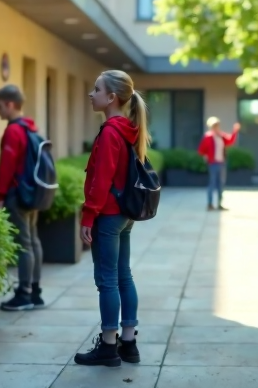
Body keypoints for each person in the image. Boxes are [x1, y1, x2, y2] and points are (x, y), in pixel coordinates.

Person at [73, 70, 150, 368]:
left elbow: (101, 179)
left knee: (107, 281)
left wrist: (88, 216)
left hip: (107, 214)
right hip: (125, 215)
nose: (91, 94)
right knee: (123, 276)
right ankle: (128, 343)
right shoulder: (128, 129)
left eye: (96, 89)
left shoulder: (110, 133)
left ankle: (108, 346)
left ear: (111, 97)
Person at [0, 84, 47, 312]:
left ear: (10, 104)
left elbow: (6, 167)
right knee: (33, 240)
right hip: (32, 193)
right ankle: (35, 291)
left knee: (24, 244)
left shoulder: (13, 130)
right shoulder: (30, 128)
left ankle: (23, 294)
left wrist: (0, 196)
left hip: (17, 195)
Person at [197, 116, 240, 211]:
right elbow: (201, 150)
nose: (216, 127)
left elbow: (230, 141)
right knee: (212, 183)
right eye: (214, 125)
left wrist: (235, 131)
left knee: (221, 184)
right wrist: (206, 155)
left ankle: (220, 204)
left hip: (221, 163)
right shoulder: (208, 137)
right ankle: (210, 204)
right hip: (212, 163)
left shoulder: (221, 136)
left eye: (217, 125)